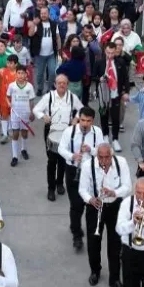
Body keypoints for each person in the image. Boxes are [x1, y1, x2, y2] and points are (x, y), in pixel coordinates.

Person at [78, 143, 132, 287]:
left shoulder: (121, 163)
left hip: (115, 206)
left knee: (115, 244)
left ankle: (114, 278)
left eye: (106, 157)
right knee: (93, 242)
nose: (103, 161)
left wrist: (114, 193)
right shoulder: (88, 166)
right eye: (100, 157)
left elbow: (127, 186)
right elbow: (82, 189)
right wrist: (91, 199)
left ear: (111, 155)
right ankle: (95, 271)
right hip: (95, 206)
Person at [58, 107, 103, 251]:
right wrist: (73, 156)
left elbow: (102, 152)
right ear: (79, 119)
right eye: (82, 120)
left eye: (88, 121)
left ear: (92, 121)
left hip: (91, 172)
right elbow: (61, 149)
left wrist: (91, 150)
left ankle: (89, 232)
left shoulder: (97, 132)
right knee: (76, 205)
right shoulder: (69, 131)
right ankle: (76, 234)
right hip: (73, 171)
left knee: (90, 203)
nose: (85, 124)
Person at [33, 74, 84, 201]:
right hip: (51, 132)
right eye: (59, 82)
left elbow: (82, 109)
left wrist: (76, 118)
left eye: (64, 83)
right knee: (51, 162)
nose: (62, 85)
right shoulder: (48, 97)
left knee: (63, 160)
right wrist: (43, 116)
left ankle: (60, 183)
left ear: (67, 85)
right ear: (55, 84)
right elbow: (36, 109)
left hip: (66, 133)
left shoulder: (72, 97)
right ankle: (51, 188)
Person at [93, 42, 130, 152]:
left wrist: (126, 92)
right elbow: (93, 76)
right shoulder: (99, 62)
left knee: (115, 117)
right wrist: (99, 79)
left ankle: (115, 139)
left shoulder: (120, 62)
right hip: (103, 93)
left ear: (116, 52)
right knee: (103, 114)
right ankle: (105, 135)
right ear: (105, 51)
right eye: (108, 53)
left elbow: (125, 78)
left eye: (112, 53)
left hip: (115, 93)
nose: (110, 55)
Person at [28, 7, 61, 98]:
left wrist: (59, 50)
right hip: (40, 55)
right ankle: (40, 88)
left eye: (45, 13)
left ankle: (50, 88)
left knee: (52, 72)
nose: (43, 15)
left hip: (51, 54)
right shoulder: (37, 24)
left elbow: (57, 37)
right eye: (42, 13)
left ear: (48, 14)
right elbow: (30, 34)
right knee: (39, 74)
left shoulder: (54, 24)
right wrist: (34, 24)